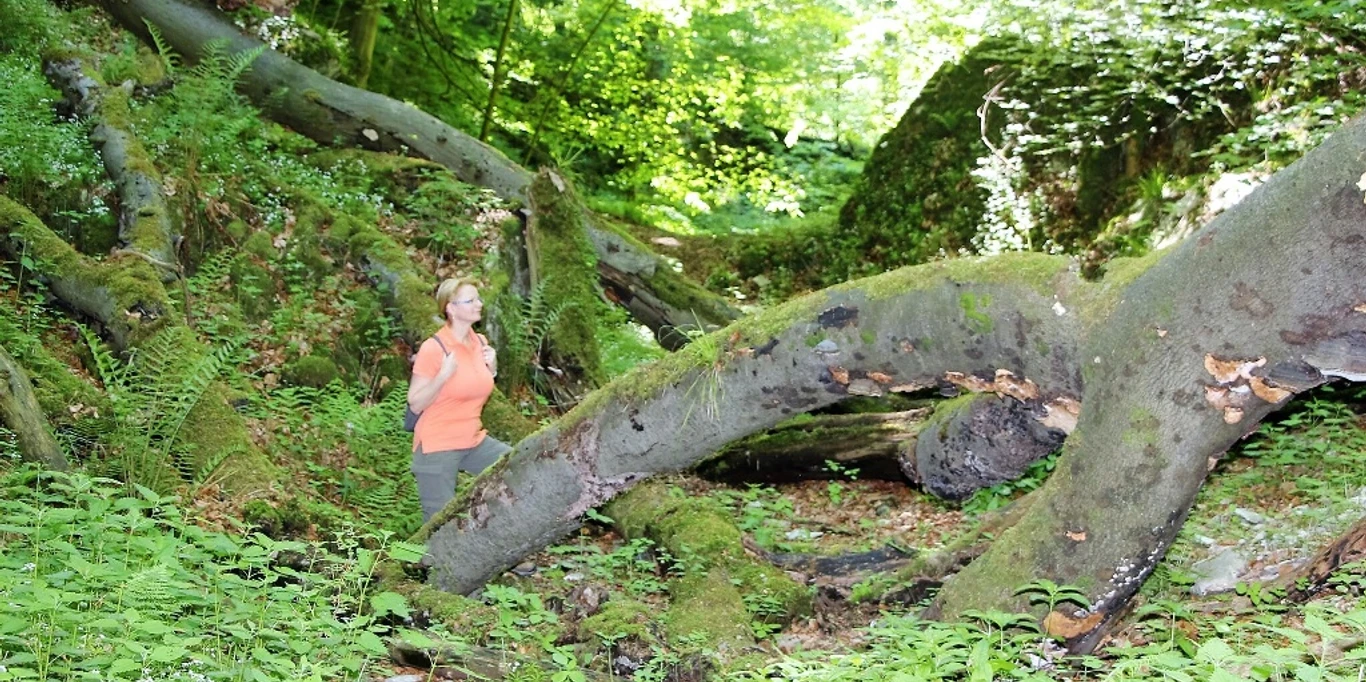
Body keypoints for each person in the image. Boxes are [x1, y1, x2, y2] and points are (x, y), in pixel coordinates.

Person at [407, 278, 511, 523]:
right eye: (471, 300)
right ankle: (418, 561)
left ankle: (500, 550)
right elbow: (415, 402)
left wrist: (493, 369)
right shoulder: (434, 348)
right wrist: (442, 375)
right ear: (451, 308)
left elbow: (472, 389)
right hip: (437, 445)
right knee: (438, 525)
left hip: (474, 441)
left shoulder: (480, 343)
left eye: (478, 298)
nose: (479, 304)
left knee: (518, 468)